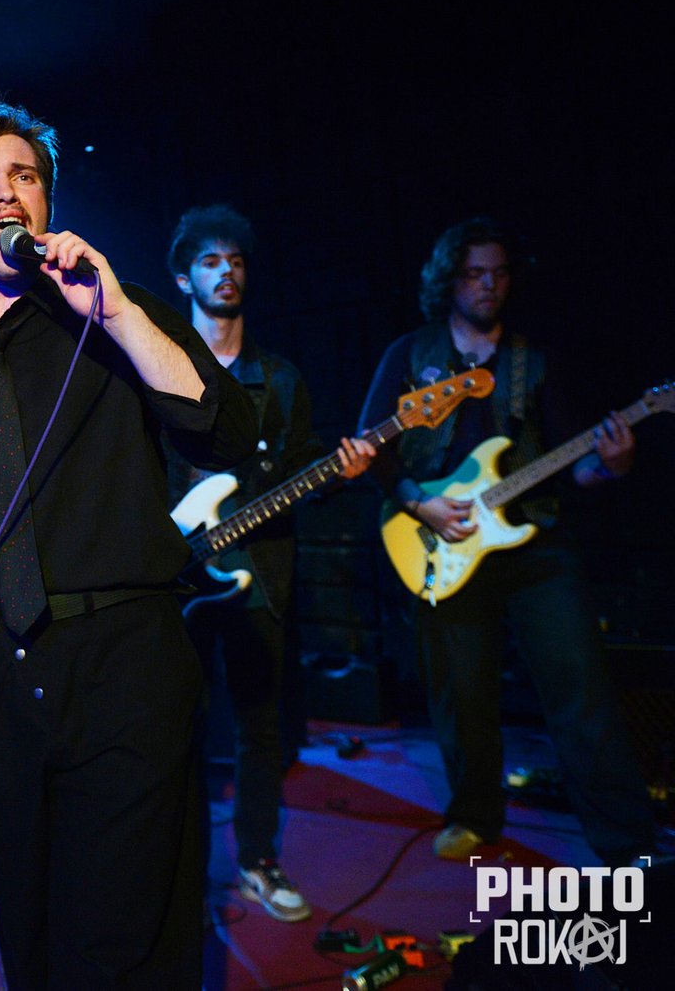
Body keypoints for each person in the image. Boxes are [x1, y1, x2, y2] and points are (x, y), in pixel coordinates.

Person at [0, 104, 258, 988]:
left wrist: (116, 313)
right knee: (24, 926)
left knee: (137, 931)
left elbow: (225, 433)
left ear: (46, 202)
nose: (7, 192)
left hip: (126, 660)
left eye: (25, 176)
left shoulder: (114, 314)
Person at [357, 217, 656, 867]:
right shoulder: (410, 354)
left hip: (535, 543)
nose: (488, 285)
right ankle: (474, 817)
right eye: (474, 274)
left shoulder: (533, 359)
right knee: (461, 697)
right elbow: (370, 450)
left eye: (498, 273)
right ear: (449, 280)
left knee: (582, 690)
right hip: (439, 540)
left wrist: (613, 463)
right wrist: (420, 504)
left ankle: (628, 842)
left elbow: (576, 462)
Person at [162, 205, 375, 922]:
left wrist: (341, 470)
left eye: (236, 260)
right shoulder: (157, 369)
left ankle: (257, 859)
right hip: (173, 578)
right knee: (178, 729)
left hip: (260, 573)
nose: (226, 271)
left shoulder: (280, 379)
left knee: (261, 730)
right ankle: (182, 873)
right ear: (184, 278)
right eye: (211, 260)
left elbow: (301, 465)